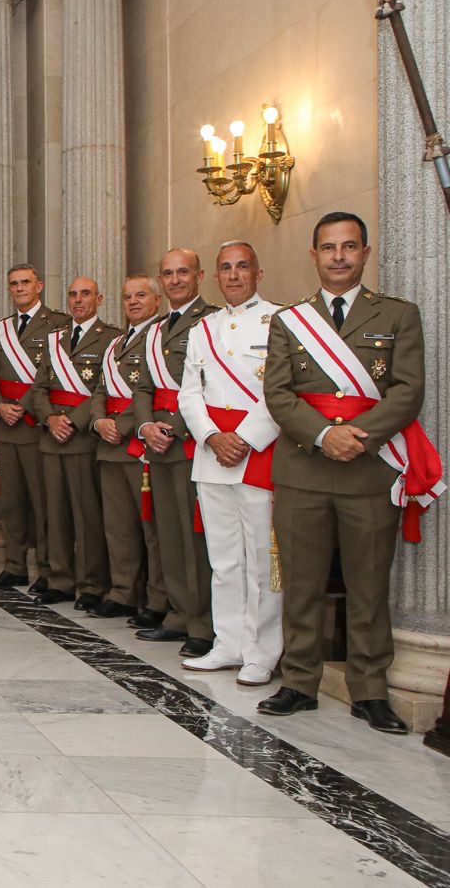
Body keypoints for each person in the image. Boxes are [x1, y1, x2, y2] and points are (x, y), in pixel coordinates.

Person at [259, 212, 441, 733]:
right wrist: (323, 434)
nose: (339, 256)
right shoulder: (289, 321)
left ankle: (369, 689)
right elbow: (277, 393)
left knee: (367, 584)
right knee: (301, 584)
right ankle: (298, 682)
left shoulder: (398, 315)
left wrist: (357, 436)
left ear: (364, 253)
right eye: (328, 247)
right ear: (313, 255)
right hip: (304, 469)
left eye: (349, 247)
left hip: (369, 469)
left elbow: (408, 390)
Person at [178, 241, 283, 685]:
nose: (234, 275)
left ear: (258, 273)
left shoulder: (283, 320)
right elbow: (189, 392)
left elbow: (281, 390)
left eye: (243, 267)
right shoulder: (203, 329)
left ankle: (263, 651)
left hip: (258, 452)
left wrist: (243, 438)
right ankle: (228, 643)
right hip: (213, 454)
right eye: (226, 268)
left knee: (262, 558)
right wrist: (210, 436)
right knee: (223, 558)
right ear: (216, 277)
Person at [133, 249, 219, 659]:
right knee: (168, 534)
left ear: (199, 276)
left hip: (191, 443)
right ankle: (180, 612)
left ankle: (203, 622)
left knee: (193, 537)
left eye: (183, 272)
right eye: (167, 273)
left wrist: (173, 428)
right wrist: (146, 426)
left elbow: (212, 385)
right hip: (159, 444)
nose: (175, 280)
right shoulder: (155, 330)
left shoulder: (213, 321)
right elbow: (143, 387)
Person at [24, 278, 121, 607]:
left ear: (99, 298)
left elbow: (104, 389)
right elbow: (38, 388)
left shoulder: (111, 338)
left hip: (82, 439)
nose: (78, 301)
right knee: (56, 514)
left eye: (85, 294)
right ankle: (60, 579)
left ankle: (92, 584)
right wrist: (50, 419)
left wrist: (72, 421)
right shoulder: (54, 341)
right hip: (52, 439)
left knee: (87, 515)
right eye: (73, 295)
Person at [89, 276, 166, 622]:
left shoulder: (162, 338)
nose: (133, 302)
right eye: (127, 297)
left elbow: (152, 393)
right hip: (109, 446)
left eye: (140, 295)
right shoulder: (116, 344)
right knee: (118, 528)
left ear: (157, 301)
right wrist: (98, 422)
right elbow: (100, 392)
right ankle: (123, 590)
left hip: (139, 444)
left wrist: (120, 426)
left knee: (151, 529)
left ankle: (157, 597)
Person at [0, 264, 68, 588]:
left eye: (25, 282)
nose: (19, 288)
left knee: (43, 501)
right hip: (7, 427)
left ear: (39, 285)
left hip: (36, 425)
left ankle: (48, 569)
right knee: (11, 502)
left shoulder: (58, 324)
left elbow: (54, 375)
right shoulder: (1, 329)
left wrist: (23, 405)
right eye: (13, 284)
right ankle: (15, 564)